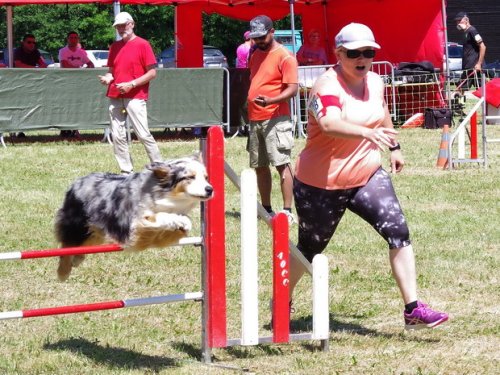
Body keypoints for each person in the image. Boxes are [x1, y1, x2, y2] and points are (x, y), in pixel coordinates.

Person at [289, 23, 449, 330]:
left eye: (368, 52)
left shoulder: (375, 80)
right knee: (310, 247)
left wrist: (394, 145)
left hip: (366, 173)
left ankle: (413, 308)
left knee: (398, 230)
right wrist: (366, 132)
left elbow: (382, 111)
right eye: (353, 53)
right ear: (338, 54)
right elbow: (330, 124)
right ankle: (282, 299)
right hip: (321, 181)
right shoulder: (326, 85)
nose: (362, 58)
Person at [247, 15, 298, 224]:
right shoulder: (255, 55)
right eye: (255, 37)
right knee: (259, 165)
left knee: (281, 163)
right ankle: (266, 208)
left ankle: (287, 210)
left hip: (276, 118)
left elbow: (293, 89)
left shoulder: (285, 57)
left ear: (272, 31)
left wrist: (271, 100)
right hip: (255, 117)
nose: (258, 41)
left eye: (262, 36)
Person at [98, 12, 162, 175]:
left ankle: (160, 168)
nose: (120, 29)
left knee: (142, 134)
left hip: (135, 95)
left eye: (123, 25)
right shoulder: (114, 46)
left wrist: (131, 84)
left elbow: (152, 73)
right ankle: (126, 171)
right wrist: (107, 78)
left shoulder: (143, 44)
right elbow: (112, 71)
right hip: (115, 94)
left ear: (132, 24)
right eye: (118, 26)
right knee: (117, 135)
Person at [59, 31, 94, 138]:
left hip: (79, 83)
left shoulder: (82, 52)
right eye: (71, 37)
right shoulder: (63, 51)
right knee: (66, 106)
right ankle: (65, 129)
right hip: (66, 83)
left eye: (75, 37)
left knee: (77, 105)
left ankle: (76, 129)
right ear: (67, 39)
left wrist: (85, 68)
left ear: (78, 39)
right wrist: (79, 69)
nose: (73, 39)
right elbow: (65, 65)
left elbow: (91, 64)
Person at [454, 12, 486, 91]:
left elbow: (483, 46)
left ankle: (488, 103)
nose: (457, 23)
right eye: (456, 21)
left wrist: (479, 64)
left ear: (466, 20)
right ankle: (460, 102)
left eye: (459, 20)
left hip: (474, 67)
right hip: (467, 66)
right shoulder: (465, 32)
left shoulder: (472, 30)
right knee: (461, 87)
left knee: (481, 89)